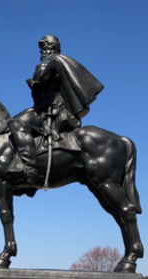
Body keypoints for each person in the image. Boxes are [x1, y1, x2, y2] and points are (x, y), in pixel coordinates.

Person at [7, 34, 103, 183]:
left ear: (50, 47)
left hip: (49, 110)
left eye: (43, 47)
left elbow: (41, 76)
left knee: (15, 122)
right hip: (48, 108)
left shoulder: (50, 61)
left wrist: (39, 72)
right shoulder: (61, 62)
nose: (41, 51)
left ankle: (29, 168)